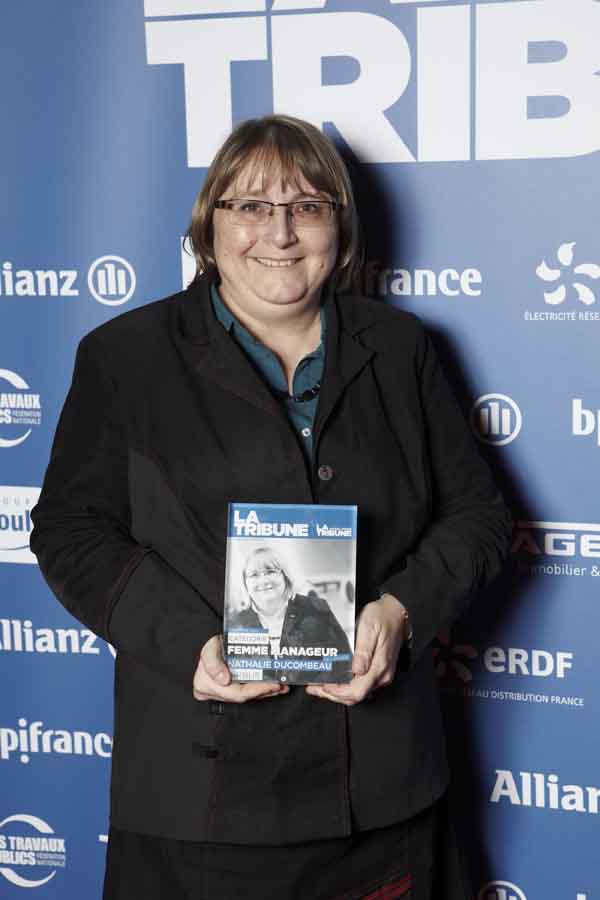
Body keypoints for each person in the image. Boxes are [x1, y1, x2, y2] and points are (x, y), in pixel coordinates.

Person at [30, 114, 512, 899]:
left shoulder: (401, 347)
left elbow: (477, 518)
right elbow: (70, 530)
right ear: (208, 225)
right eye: (250, 206)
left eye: (308, 206)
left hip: (382, 784)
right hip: (200, 796)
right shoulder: (124, 357)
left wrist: (401, 611)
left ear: (340, 228)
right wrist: (189, 643)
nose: (279, 234)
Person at [227, 545, 353, 683]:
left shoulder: (316, 608)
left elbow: (344, 665)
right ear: (245, 584)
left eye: (270, 571)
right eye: (254, 575)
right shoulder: (235, 624)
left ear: (285, 576)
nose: (264, 580)